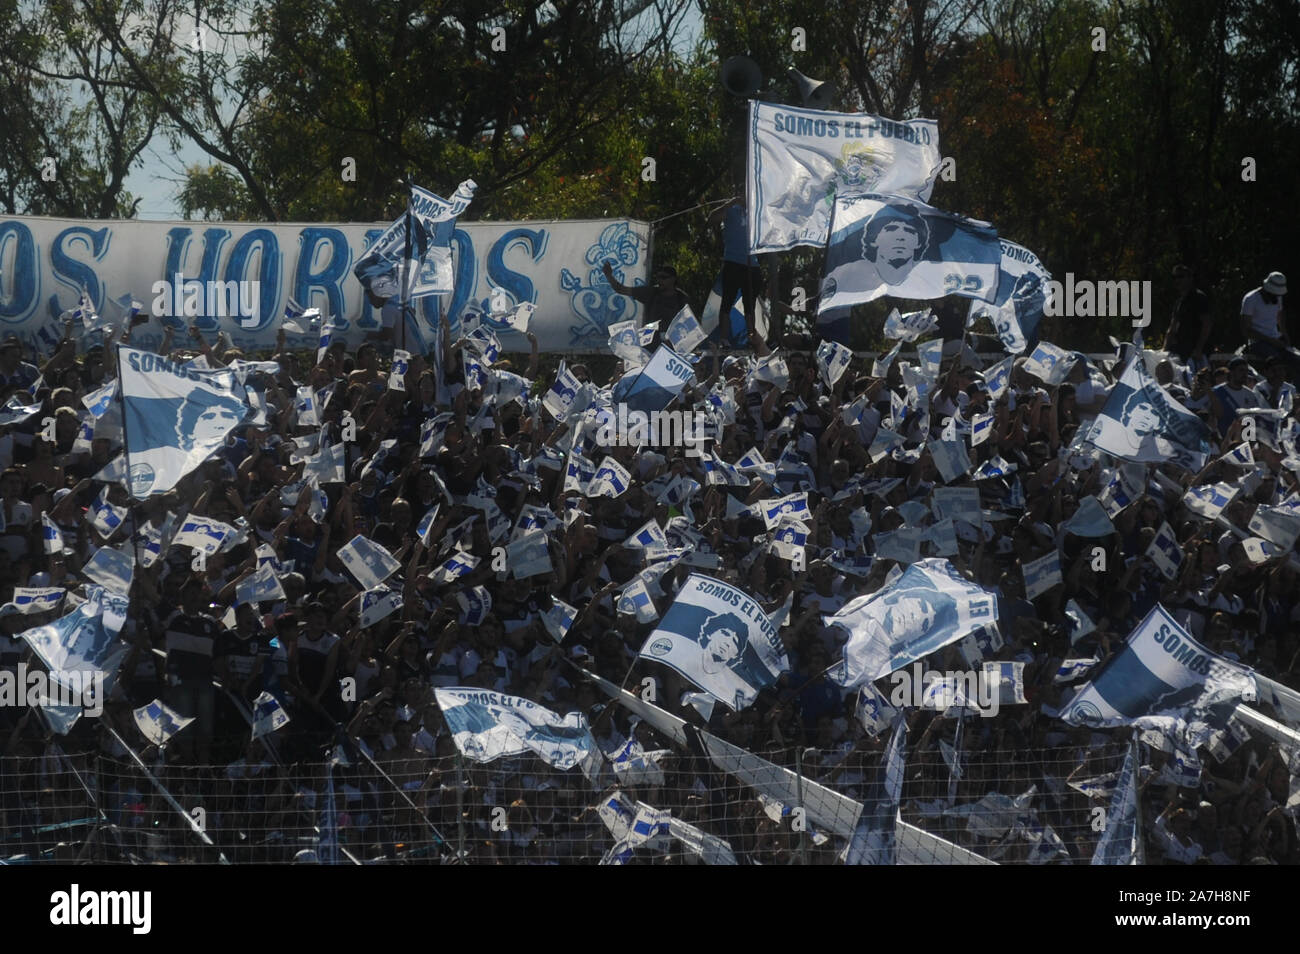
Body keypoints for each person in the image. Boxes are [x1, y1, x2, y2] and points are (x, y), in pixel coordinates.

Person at [707, 198, 763, 348]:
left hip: (752, 264)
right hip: (733, 262)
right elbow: (711, 219)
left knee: (749, 306)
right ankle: (724, 339)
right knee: (727, 302)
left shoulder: (756, 210)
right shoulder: (731, 209)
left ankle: (752, 338)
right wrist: (730, 203)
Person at [601, 261, 691, 332]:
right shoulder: (650, 293)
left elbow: (689, 326)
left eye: (664, 277)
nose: (660, 280)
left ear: (673, 279)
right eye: (658, 277)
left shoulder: (682, 299)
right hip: (650, 343)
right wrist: (609, 275)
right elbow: (620, 289)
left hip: (672, 346)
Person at [1163, 265, 1212, 370]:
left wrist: (1199, 348)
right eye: (1174, 277)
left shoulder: (1199, 298)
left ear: (1190, 278)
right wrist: (1164, 350)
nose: (1177, 280)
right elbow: (1172, 328)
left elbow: (1206, 324)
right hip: (1180, 350)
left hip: (1195, 352)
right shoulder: (1179, 302)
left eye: (1181, 276)